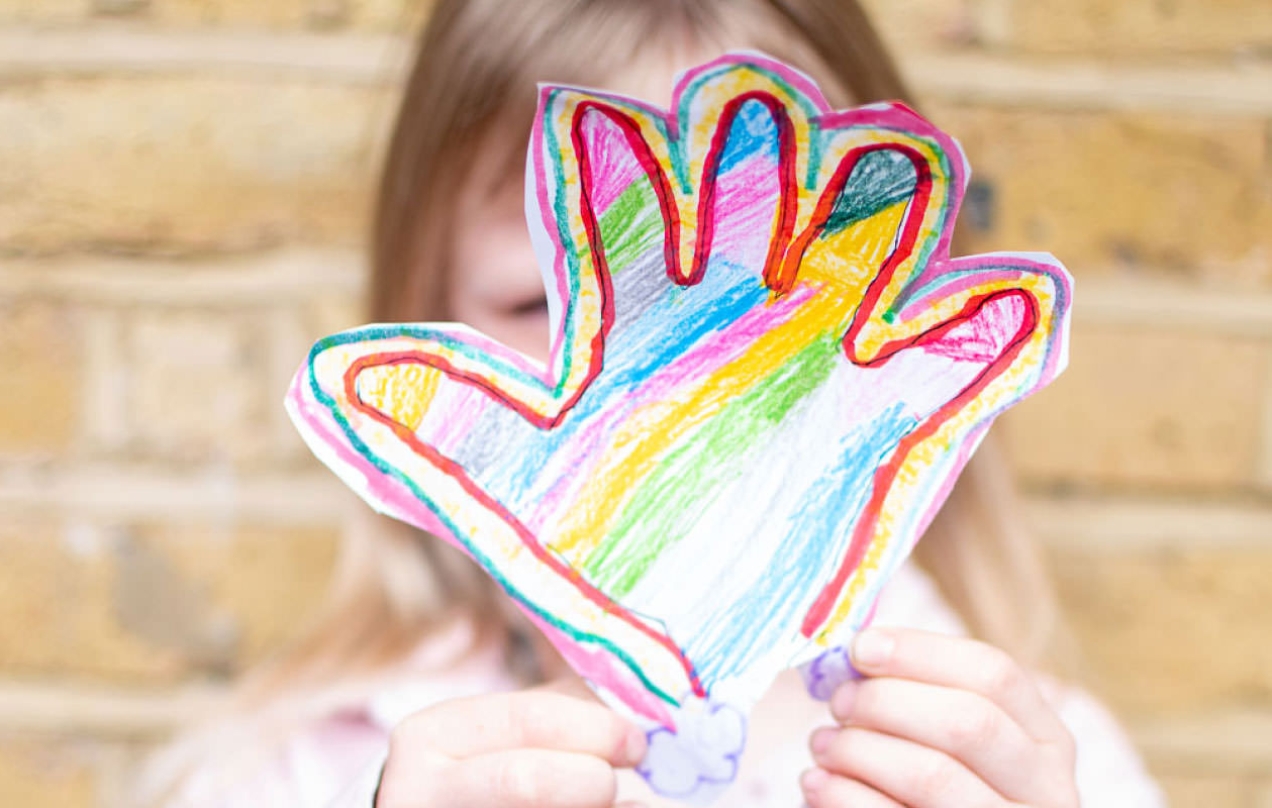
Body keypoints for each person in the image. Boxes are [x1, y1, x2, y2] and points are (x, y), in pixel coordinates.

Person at [136, 1, 1166, 806]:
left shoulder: (1023, 766)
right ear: (422, 315)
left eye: (757, 349)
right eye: (540, 296)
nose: (666, 413)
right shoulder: (291, 769)